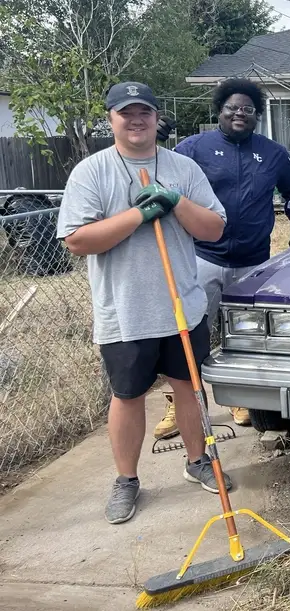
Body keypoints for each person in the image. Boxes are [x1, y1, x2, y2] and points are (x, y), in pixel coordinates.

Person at [56, 81, 234, 525]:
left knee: (189, 389)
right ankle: (126, 480)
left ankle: (198, 462)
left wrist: (174, 202)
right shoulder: (92, 172)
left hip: (182, 306)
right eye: (126, 113)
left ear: (157, 118)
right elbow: (77, 241)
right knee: (128, 396)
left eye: (145, 113)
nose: (136, 120)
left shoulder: (183, 168)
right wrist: (139, 215)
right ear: (112, 119)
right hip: (125, 312)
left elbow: (214, 228)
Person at [151, 77, 290, 438]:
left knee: (243, 335)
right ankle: (176, 404)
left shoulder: (273, 154)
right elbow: (156, 174)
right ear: (220, 111)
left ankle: (239, 396)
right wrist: (156, 139)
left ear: (257, 115)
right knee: (189, 332)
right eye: (232, 108)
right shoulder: (194, 148)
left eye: (247, 109)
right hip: (201, 257)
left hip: (254, 263)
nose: (239, 113)